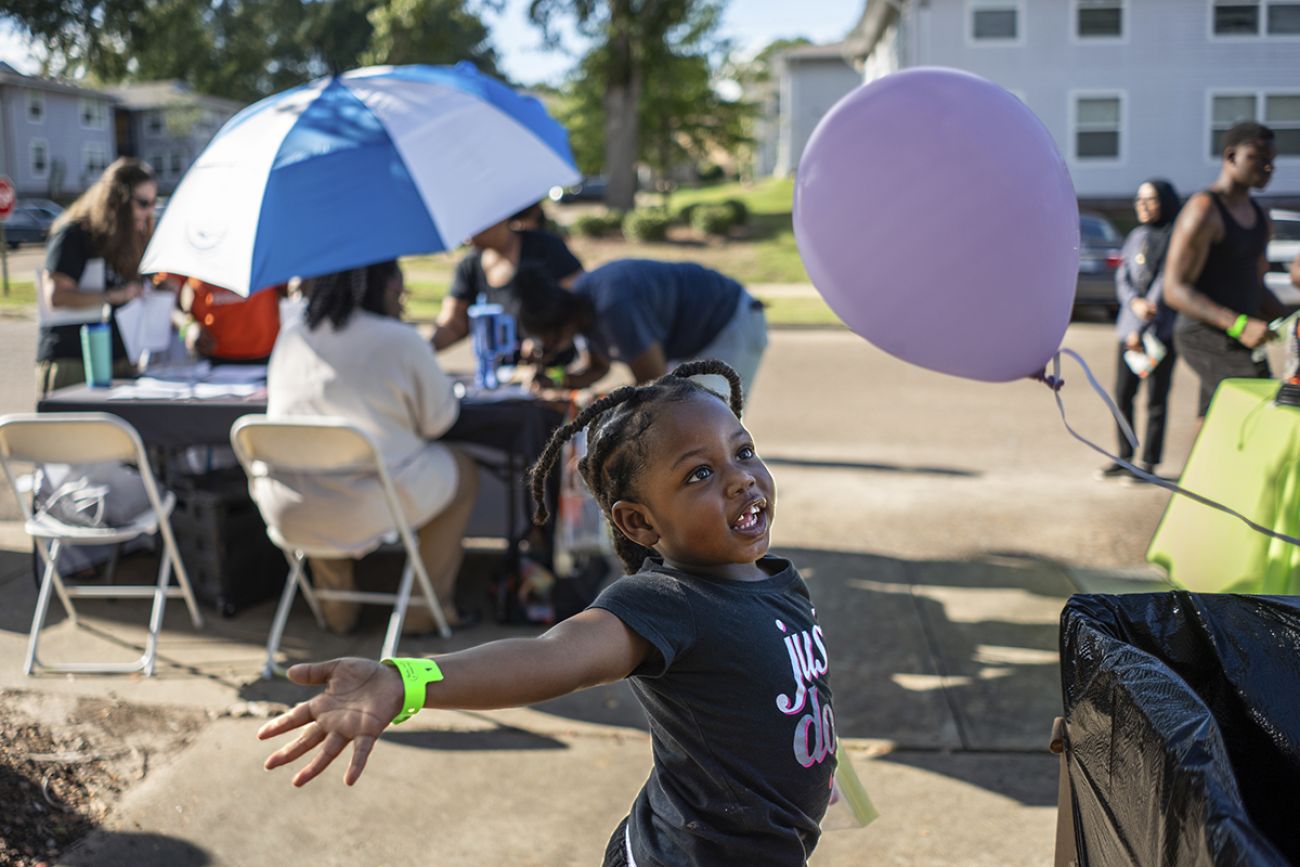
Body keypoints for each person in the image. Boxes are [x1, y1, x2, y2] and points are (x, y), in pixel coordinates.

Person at [257, 361, 837, 866]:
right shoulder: (666, 603)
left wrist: (812, 767)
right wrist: (406, 679)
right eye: (700, 474)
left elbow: (789, 691)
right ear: (639, 523)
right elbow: (552, 656)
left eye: (743, 451)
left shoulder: (776, 579)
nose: (740, 478)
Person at [252, 260, 480, 633]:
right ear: (386, 285)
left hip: (289, 508)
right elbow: (439, 422)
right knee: (462, 471)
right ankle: (424, 608)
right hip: (373, 501)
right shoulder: (399, 340)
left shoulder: (291, 335)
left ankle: (336, 608)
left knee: (318, 473)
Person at [1164, 121, 1288, 420]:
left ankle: (1197, 469)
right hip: (1203, 333)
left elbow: (1254, 286)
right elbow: (1174, 289)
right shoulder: (1205, 209)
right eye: (1259, 158)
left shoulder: (1260, 217)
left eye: (1272, 160)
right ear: (1231, 157)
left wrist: (1288, 320)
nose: (1269, 167)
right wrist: (1238, 324)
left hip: (1238, 334)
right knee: (1260, 405)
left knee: (1213, 419)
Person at [515, 258, 769, 399]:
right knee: (690, 418)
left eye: (546, 340)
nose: (545, 347)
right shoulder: (582, 310)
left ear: (561, 324)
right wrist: (557, 380)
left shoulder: (613, 307)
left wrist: (603, 403)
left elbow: (653, 381)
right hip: (697, 336)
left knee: (713, 420)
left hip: (729, 323)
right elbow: (596, 369)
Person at [36, 157, 155, 396]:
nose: (149, 211)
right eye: (143, 203)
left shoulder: (130, 240)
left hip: (120, 362)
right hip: (74, 362)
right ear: (117, 201)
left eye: (153, 203)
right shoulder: (75, 233)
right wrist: (112, 296)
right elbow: (56, 295)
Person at [1098, 180, 1181, 481]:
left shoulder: (1175, 237)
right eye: (1139, 199)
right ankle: (1124, 456)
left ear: (1166, 202)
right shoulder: (1135, 236)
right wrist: (1133, 304)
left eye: (1151, 200)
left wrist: (1145, 318)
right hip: (1129, 329)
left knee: (1156, 399)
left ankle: (1148, 462)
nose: (1143, 205)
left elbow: (1165, 281)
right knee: (1122, 394)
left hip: (1161, 331)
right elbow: (1123, 276)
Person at [431, 211, 584, 351]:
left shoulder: (545, 247)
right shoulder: (469, 265)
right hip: (497, 370)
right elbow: (454, 323)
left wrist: (542, 339)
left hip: (553, 364)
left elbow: (579, 300)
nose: (467, 237)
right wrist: (424, 349)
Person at [160, 274, 286, 364]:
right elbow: (164, 300)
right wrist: (188, 327)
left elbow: (288, 289)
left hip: (266, 355)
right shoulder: (189, 239)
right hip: (208, 355)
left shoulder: (266, 240)